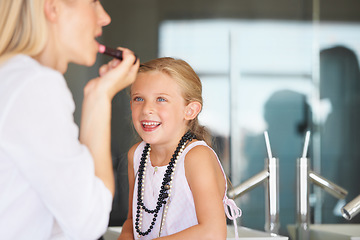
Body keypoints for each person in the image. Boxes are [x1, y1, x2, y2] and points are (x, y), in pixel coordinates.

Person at [0, 0, 139, 239]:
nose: (105, 17)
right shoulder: (35, 86)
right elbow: (89, 221)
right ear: (53, 8)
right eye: (93, 3)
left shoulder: (13, 78)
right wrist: (100, 97)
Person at [117, 57, 241, 240]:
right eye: (139, 98)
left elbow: (213, 232)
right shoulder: (136, 155)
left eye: (161, 99)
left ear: (189, 110)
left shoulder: (196, 157)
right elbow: (132, 221)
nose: (146, 109)